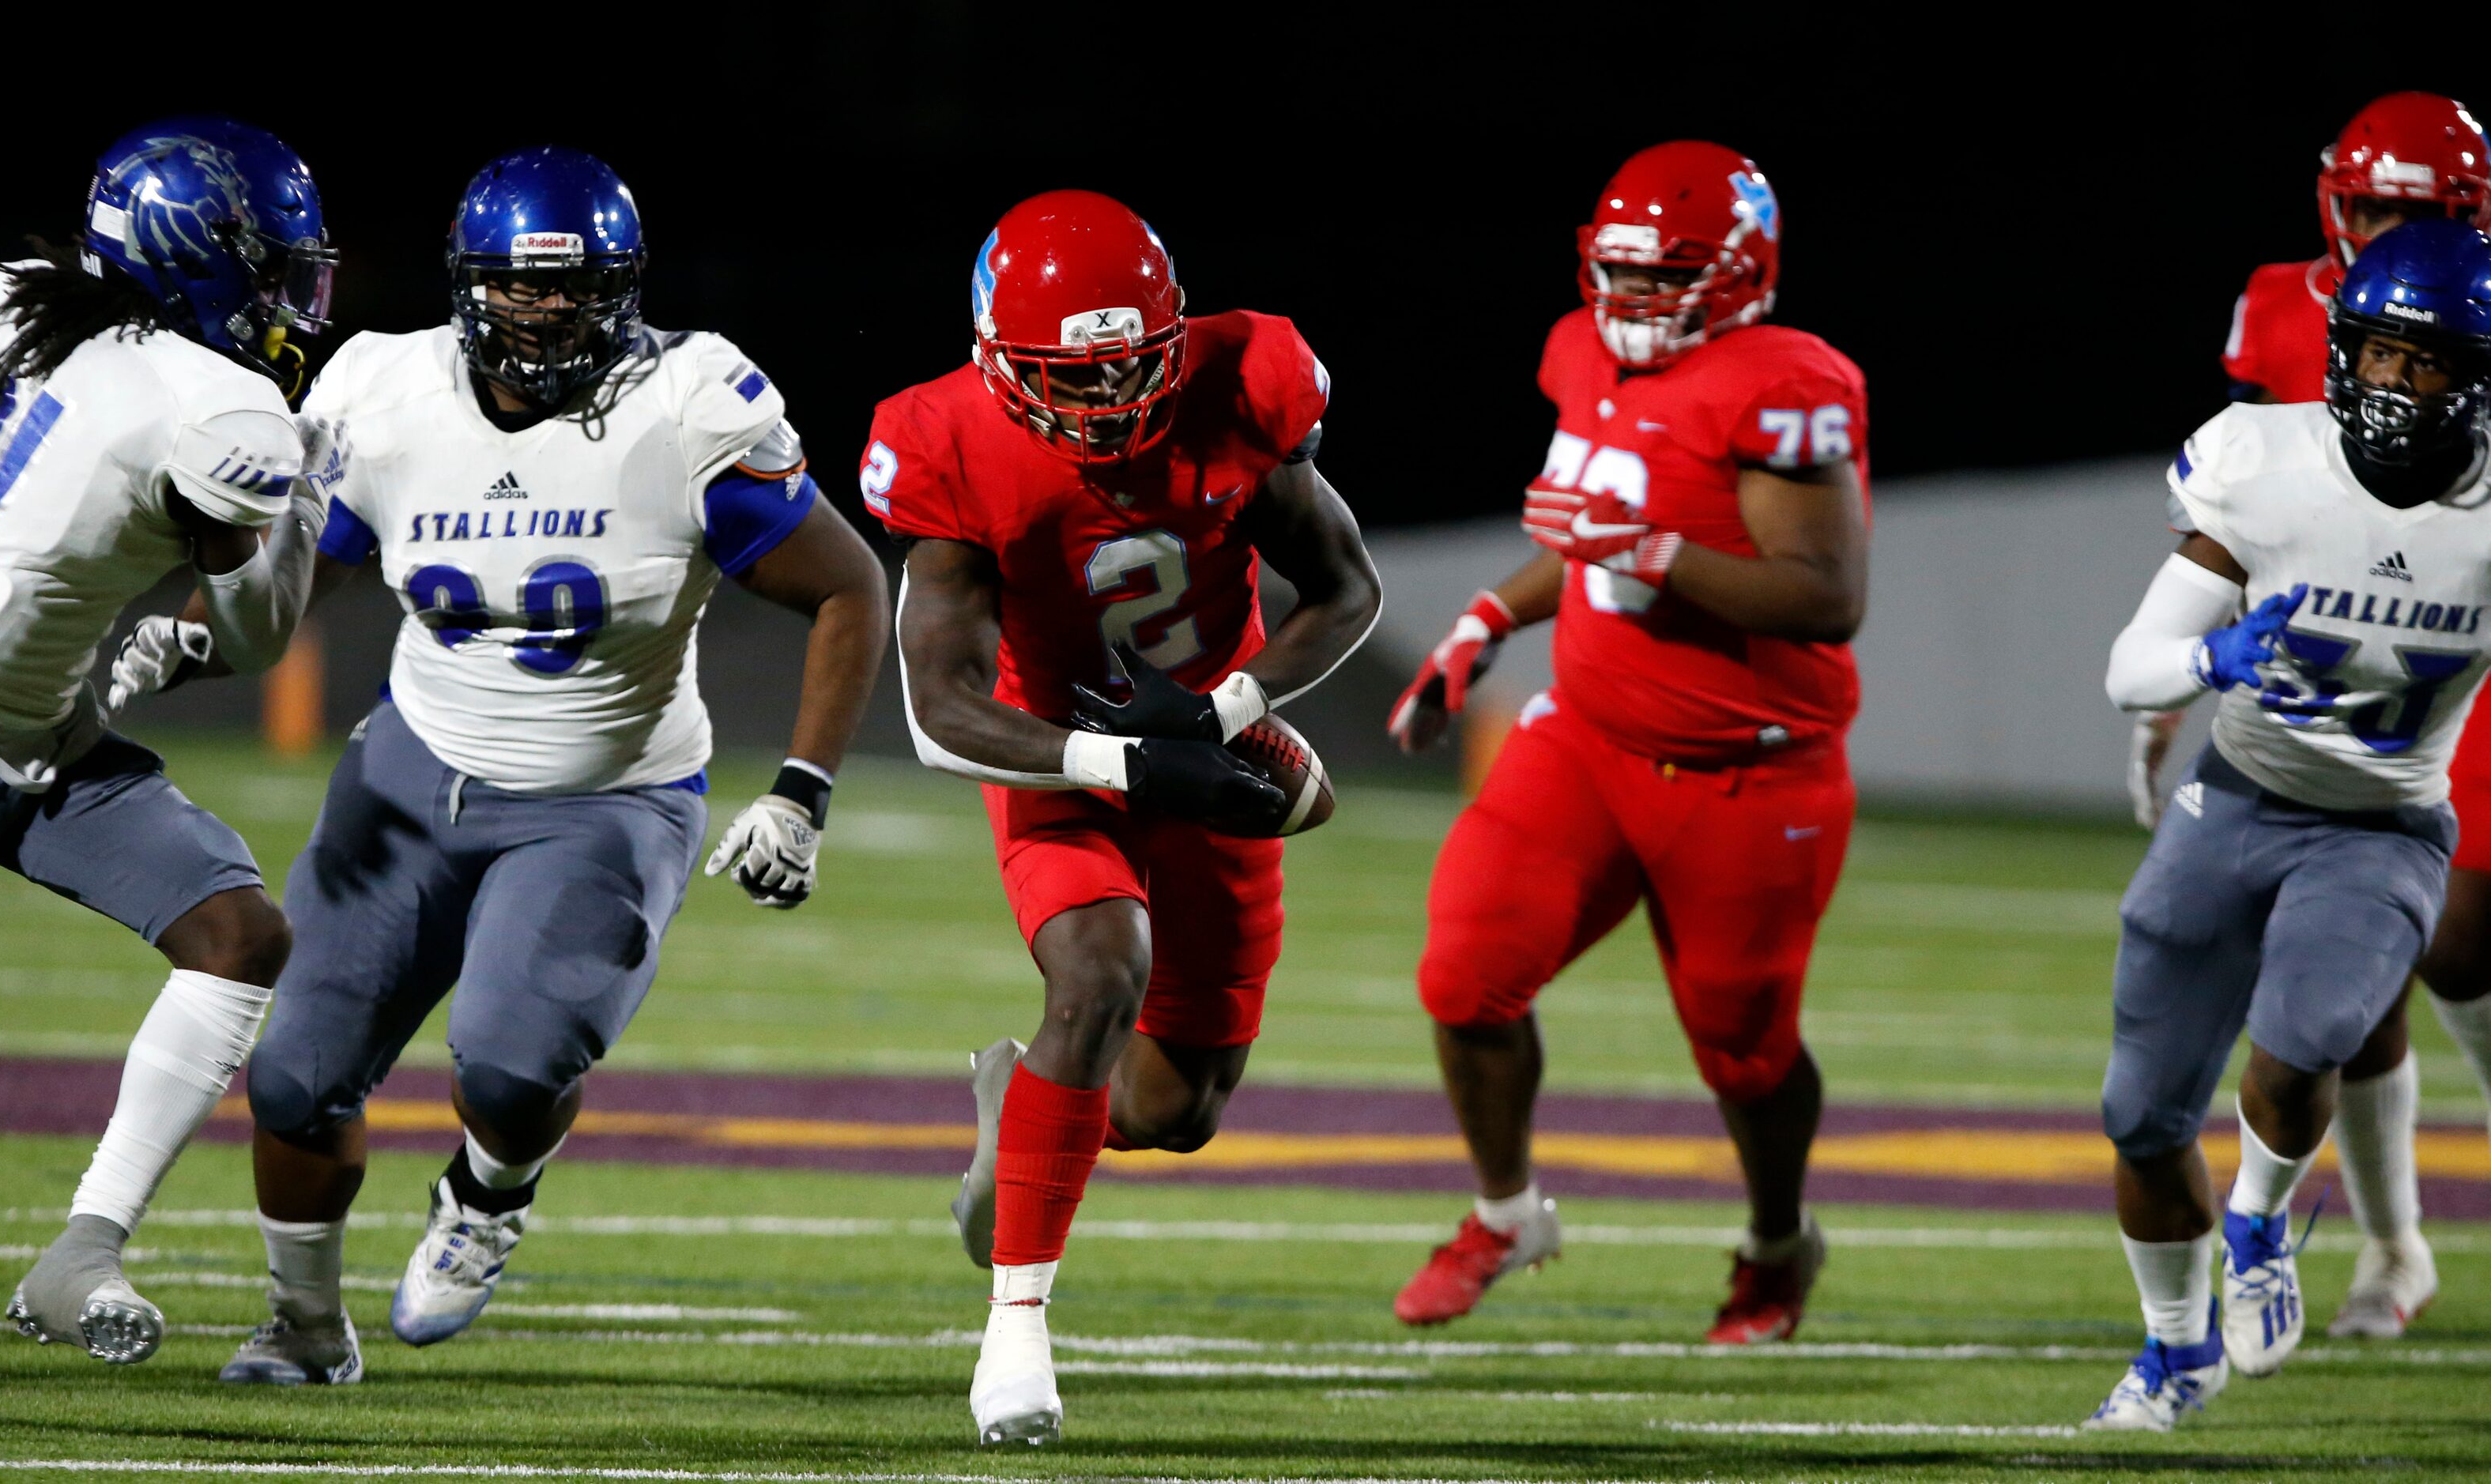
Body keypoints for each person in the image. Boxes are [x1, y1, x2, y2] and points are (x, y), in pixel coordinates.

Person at [109, 148, 890, 1385]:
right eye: (519, 288)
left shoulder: (687, 399)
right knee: (296, 1074)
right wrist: (189, 643)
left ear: (623, 288)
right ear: (467, 285)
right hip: (412, 776)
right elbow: (319, 568)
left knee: (516, 1065)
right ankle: (306, 1328)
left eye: (578, 288)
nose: (546, 312)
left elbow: (850, 586)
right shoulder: (380, 389)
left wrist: (803, 789)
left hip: (608, 796)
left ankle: (488, 1193)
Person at [865, 189, 1381, 1444]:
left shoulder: (1249, 381)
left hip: (1203, 736)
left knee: (1173, 1109)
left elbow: (1346, 587)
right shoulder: (945, 438)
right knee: (1101, 971)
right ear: (996, 359)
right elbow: (938, 708)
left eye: (1126, 372)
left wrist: (1223, 710)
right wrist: (1127, 764)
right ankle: (1016, 1337)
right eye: (1068, 379)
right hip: (1053, 746)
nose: (1102, 407)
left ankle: (1018, 1097)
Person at [1387, 141, 1868, 1346]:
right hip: (1589, 740)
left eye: (1665, 279)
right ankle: (1506, 1212)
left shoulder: (1787, 381)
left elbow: (1823, 594)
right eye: (1619, 274)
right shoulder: (1577, 349)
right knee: (1463, 973)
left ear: (1742, 271)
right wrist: (1485, 619)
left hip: (1748, 774)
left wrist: (1646, 547)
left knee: (1745, 1056)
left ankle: (1775, 1242)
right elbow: (1585, 532)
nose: (1633, 303)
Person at [0, 119, 335, 1365]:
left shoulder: (30, 308)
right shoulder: (224, 408)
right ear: (199, 255)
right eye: (275, 269)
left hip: (36, 733)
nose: (294, 300)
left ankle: (80, 1251)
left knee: (236, 930)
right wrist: (297, 493)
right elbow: (256, 634)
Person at [2086, 219, 2491, 1431]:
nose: (2395, 383)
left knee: (2308, 1030)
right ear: (2340, 351)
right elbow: (2131, 664)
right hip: (2240, 798)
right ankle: (2175, 1352)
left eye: (2426, 363)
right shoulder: (2263, 462)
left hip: (2384, 823)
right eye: (2377, 354)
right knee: (2139, 1115)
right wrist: (2213, 653)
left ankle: (2260, 1218)